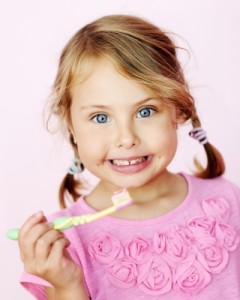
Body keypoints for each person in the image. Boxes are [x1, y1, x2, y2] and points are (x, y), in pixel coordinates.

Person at [18, 14, 240, 300]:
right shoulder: (64, 245)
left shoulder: (227, 202)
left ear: (179, 109)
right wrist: (67, 287)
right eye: (100, 117)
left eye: (145, 111)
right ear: (71, 126)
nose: (126, 138)